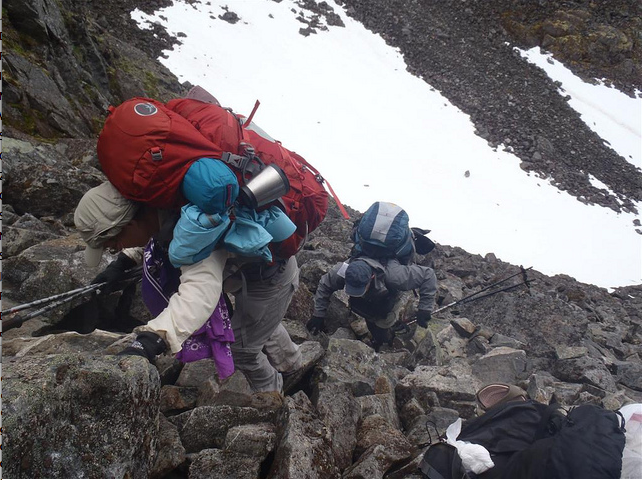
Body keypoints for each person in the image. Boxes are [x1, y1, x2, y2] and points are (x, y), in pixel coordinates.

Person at [74, 181, 302, 393]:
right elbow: (155, 239)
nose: (115, 248)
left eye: (113, 245)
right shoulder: (162, 207)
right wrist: (122, 263)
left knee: (243, 349)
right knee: (260, 321)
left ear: (131, 223)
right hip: (247, 273)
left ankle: (273, 395)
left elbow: (200, 292)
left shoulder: (194, 229)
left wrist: (155, 337)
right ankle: (293, 363)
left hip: (271, 278)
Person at [307, 238, 437, 351]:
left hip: (387, 294)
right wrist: (318, 314)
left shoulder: (395, 276)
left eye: (360, 289)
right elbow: (325, 284)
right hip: (373, 292)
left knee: (382, 324)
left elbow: (428, 275)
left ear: (372, 277)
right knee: (365, 309)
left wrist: (424, 308)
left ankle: (386, 337)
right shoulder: (343, 270)